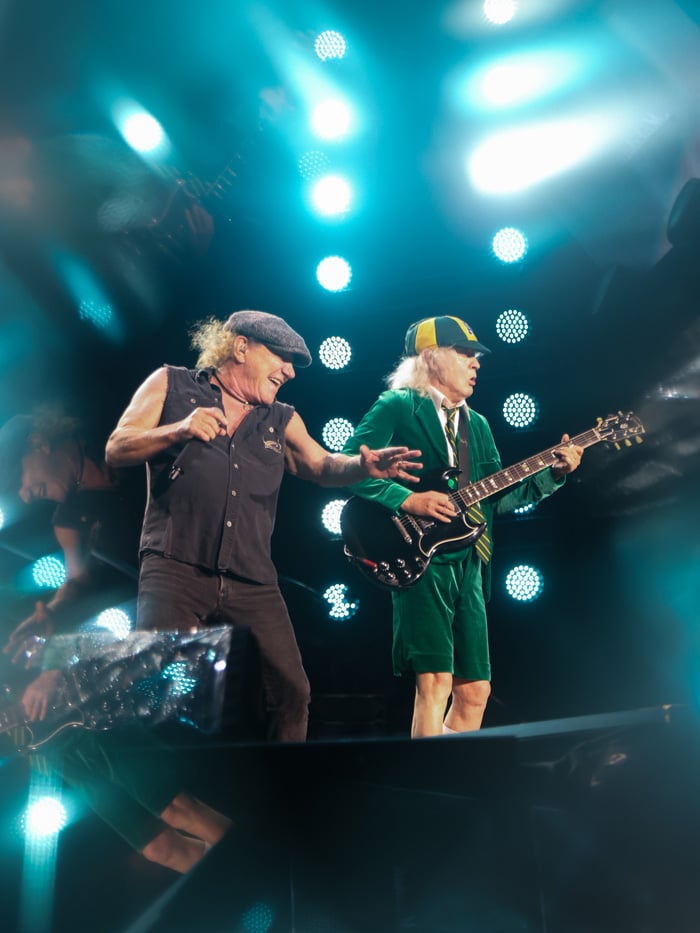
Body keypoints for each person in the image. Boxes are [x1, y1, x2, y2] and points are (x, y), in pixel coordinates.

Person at [104, 309, 422, 743]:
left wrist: (361, 467)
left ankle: (280, 781)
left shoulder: (281, 418)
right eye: (282, 358)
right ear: (241, 347)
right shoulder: (170, 383)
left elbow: (321, 465)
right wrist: (178, 429)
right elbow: (117, 446)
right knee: (162, 693)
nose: (289, 372)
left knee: (292, 692)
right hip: (175, 568)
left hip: (251, 580)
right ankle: (165, 785)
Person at [0, 409, 231, 873]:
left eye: (18, 479)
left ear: (40, 444)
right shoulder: (68, 519)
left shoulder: (130, 458)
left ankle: (278, 869)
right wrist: (52, 614)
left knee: (178, 806)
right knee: (157, 841)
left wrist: (54, 661)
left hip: (202, 617)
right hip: (140, 650)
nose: (23, 494)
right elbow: (80, 586)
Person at [341, 315, 583, 738]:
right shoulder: (397, 406)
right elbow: (349, 466)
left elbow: (495, 500)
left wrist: (553, 474)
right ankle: (428, 774)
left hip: (471, 562)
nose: (476, 363)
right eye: (465, 353)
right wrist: (408, 499)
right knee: (435, 683)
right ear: (431, 357)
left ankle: (451, 768)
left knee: (475, 692)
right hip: (420, 559)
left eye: (477, 357)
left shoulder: (479, 426)